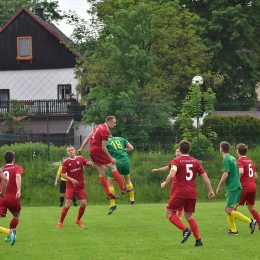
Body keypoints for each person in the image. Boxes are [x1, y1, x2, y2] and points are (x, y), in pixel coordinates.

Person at [161, 140, 215, 246]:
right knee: (189, 216)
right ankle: (198, 240)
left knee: (169, 213)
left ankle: (185, 230)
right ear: (190, 150)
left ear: (179, 150)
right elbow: (205, 177)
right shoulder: (196, 162)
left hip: (181, 191)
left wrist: (164, 184)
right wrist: (210, 191)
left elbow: (172, 175)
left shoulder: (176, 161)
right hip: (192, 192)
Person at [77, 116, 132, 200]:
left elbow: (88, 137)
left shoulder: (98, 126)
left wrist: (81, 148)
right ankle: (123, 188)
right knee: (113, 167)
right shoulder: (105, 131)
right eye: (114, 123)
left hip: (91, 151)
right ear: (109, 122)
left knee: (102, 172)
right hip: (98, 151)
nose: (115, 124)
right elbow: (103, 147)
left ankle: (108, 194)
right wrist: (111, 158)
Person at [216, 141, 257, 235]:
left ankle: (250, 221)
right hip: (236, 186)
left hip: (233, 187)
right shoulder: (233, 158)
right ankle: (233, 230)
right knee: (227, 208)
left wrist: (219, 186)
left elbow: (225, 175)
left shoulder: (226, 159)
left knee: (229, 210)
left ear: (221, 149)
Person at [56, 146, 93, 228]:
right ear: (67, 153)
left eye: (72, 150)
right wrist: (72, 179)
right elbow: (62, 174)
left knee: (83, 204)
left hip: (80, 186)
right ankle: (60, 222)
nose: (71, 151)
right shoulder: (66, 162)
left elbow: (89, 164)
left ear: (75, 151)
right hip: (70, 186)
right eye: (69, 151)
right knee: (68, 204)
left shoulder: (81, 159)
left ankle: (78, 220)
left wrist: (90, 164)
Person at [106, 136, 135, 215]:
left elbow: (104, 152)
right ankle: (132, 199)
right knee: (128, 180)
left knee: (110, 183)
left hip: (115, 162)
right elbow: (131, 148)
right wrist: (122, 150)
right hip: (126, 161)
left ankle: (113, 205)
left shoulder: (105, 142)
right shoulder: (121, 139)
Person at [151, 148, 183, 219]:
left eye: (179, 151)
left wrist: (165, 183)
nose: (178, 153)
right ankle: (174, 213)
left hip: (182, 183)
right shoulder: (174, 161)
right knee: (172, 197)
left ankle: (179, 216)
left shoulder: (183, 161)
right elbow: (167, 167)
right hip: (175, 183)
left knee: (181, 199)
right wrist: (157, 169)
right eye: (177, 151)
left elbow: (171, 174)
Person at [0, 151, 23, 246]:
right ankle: (10, 233)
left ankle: (9, 233)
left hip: (2, 197)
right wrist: (19, 190)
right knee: (16, 215)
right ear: (13, 159)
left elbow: (3, 180)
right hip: (13, 198)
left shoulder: (1, 169)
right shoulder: (17, 168)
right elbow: (18, 176)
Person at [235, 143, 260, 229]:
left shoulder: (240, 161)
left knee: (233, 207)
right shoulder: (251, 161)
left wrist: (236, 180)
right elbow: (255, 176)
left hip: (244, 187)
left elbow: (241, 172)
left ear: (238, 151)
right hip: (252, 186)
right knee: (251, 208)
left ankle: (233, 228)